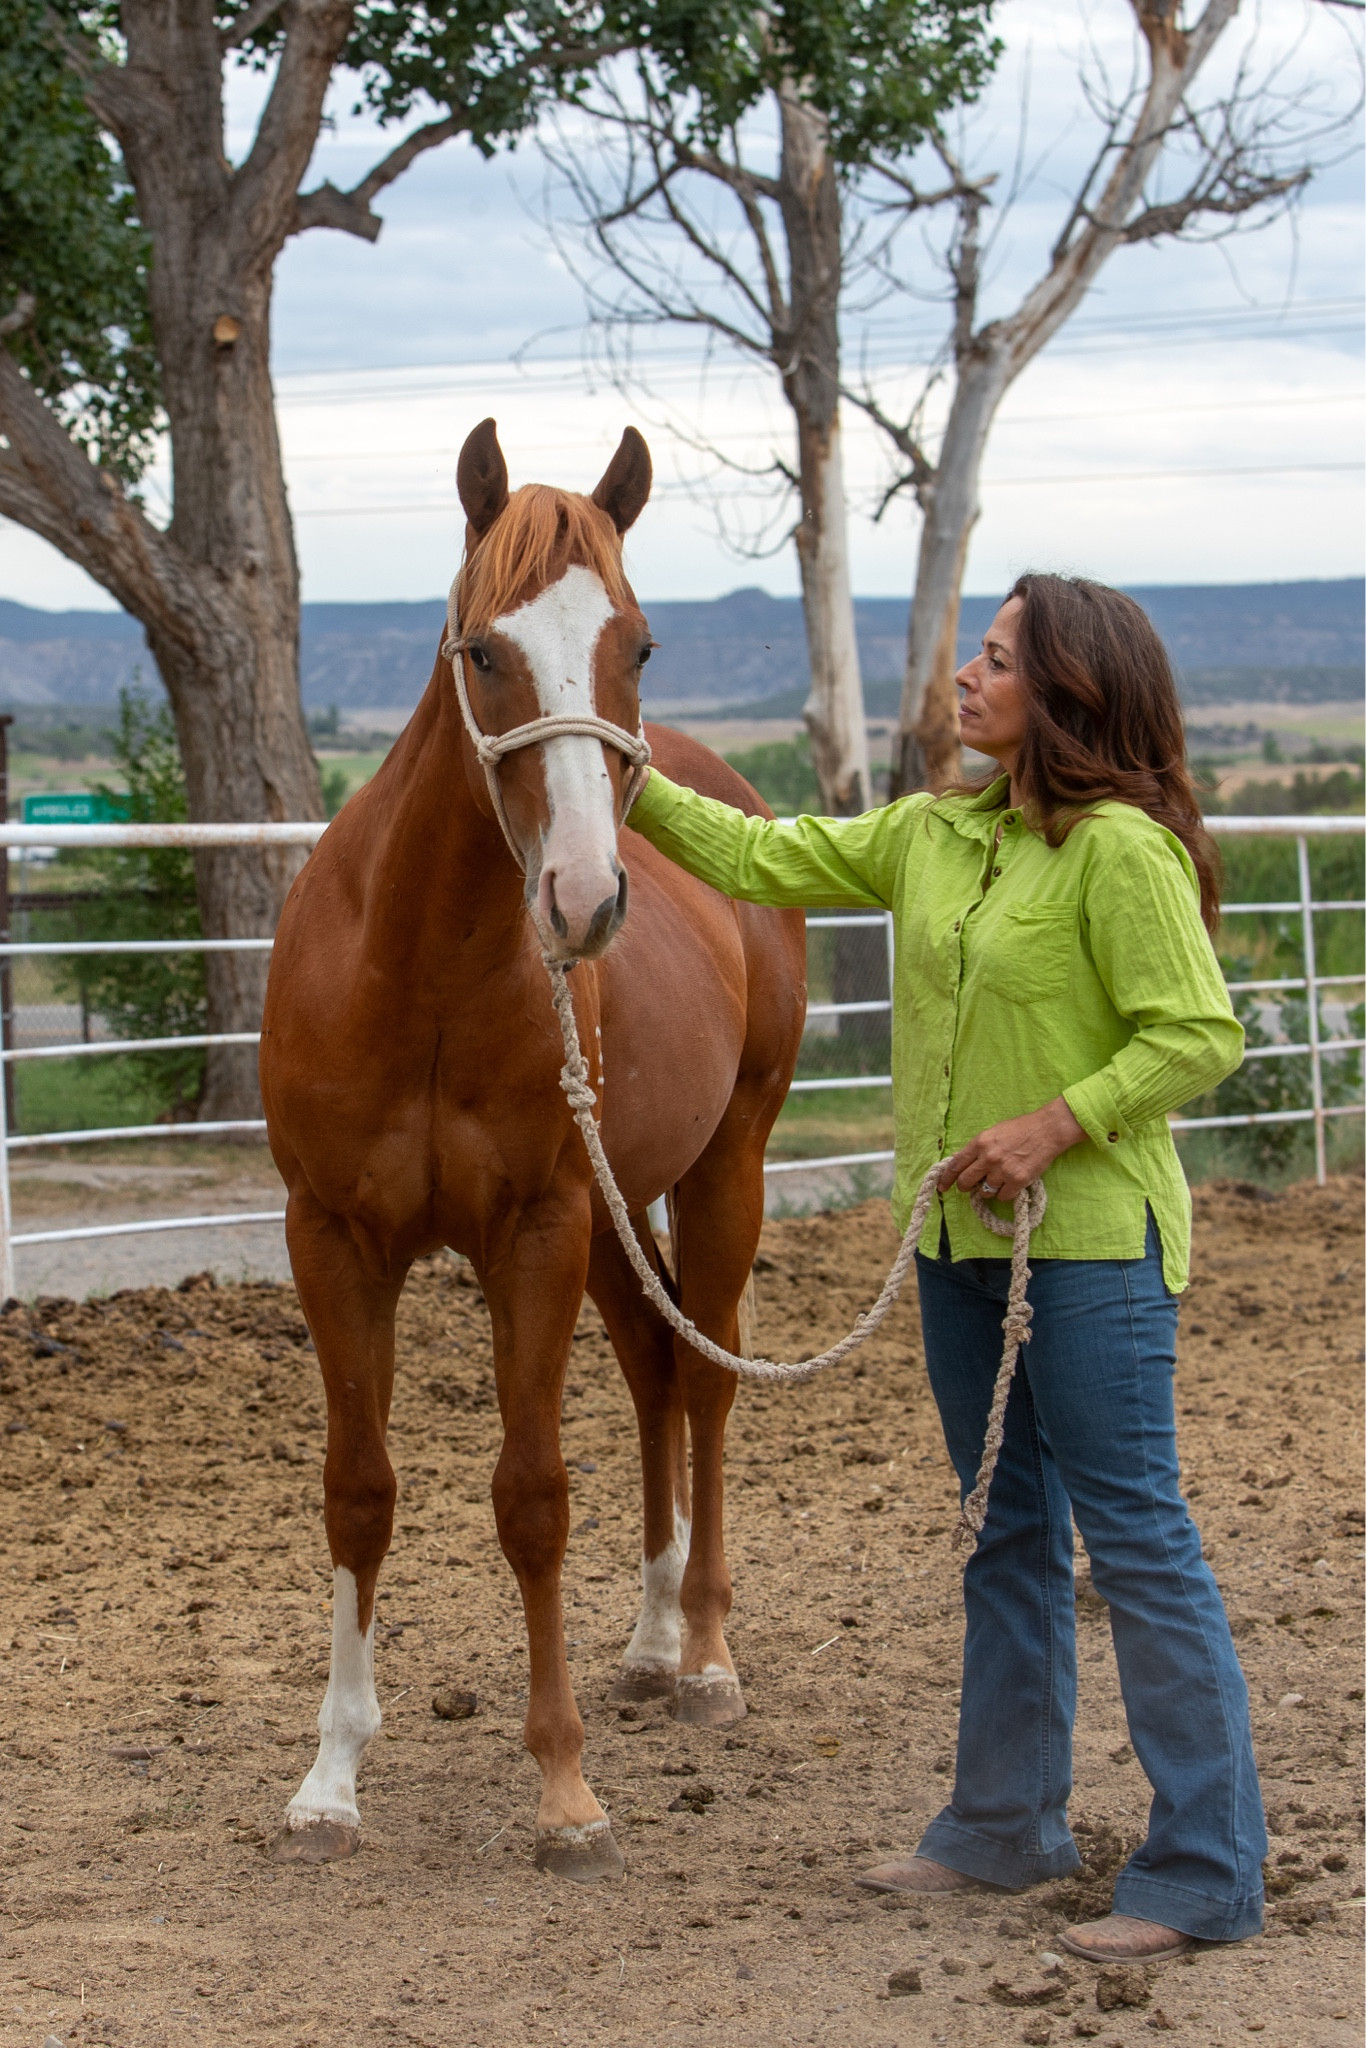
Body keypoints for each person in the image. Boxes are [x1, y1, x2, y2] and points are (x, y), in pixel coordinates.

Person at [626, 572, 1265, 1961]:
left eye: (993, 660)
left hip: (1090, 1251)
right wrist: (614, 757)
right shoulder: (927, 833)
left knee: (1140, 1548)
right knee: (1002, 1537)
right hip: (955, 1252)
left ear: (1065, 694)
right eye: (971, 655)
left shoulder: (1120, 854)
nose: (963, 679)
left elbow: (1196, 1035)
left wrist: (1054, 1123)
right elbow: (756, 857)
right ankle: (1000, 1829)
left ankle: (1206, 1869)